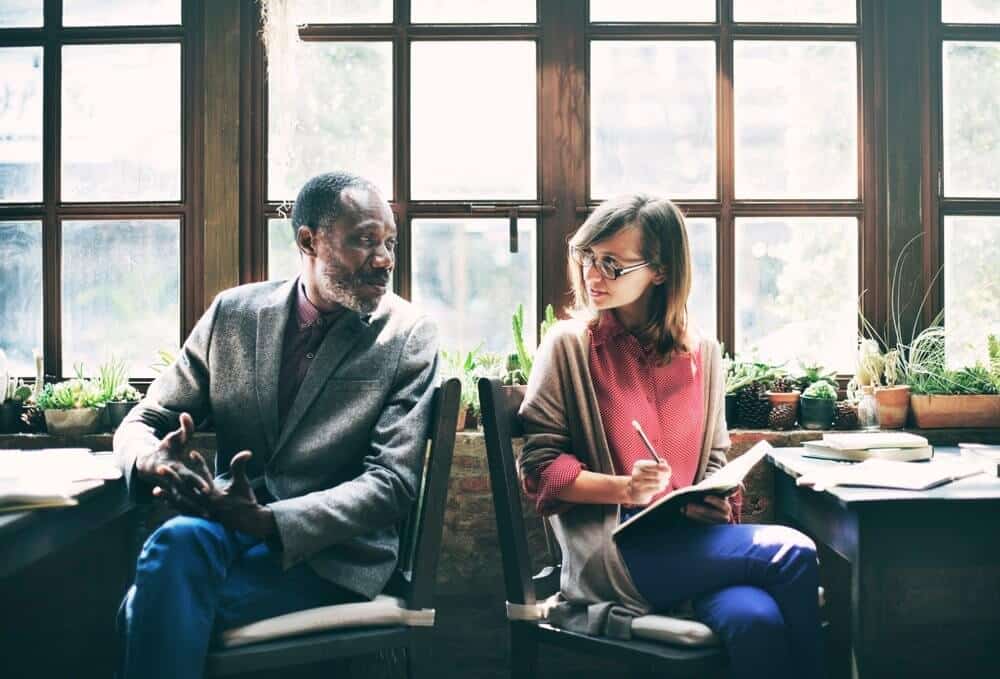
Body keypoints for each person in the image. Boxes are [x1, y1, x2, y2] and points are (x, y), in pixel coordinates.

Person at [113, 171, 439, 678]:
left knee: (150, 605)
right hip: (224, 534)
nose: (385, 261)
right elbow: (147, 418)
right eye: (364, 241)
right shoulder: (234, 314)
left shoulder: (408, 336)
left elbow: (392, 484)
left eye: (390, 243)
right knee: (177, 544)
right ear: (308, 240)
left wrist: (270, 522)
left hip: (332, 556)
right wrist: (148, 457)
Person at [517, 194, 823, 678]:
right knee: (792, 552)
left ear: (659, 271)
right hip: (617, 556)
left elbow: (716, 462)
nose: (593, 275)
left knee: (756, 620)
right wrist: (624, 488)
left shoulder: (702, 353)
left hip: (692, 548)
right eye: (588, 257)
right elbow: (541, 471)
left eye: (613, 265)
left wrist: (715, 502)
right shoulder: (570, 347)